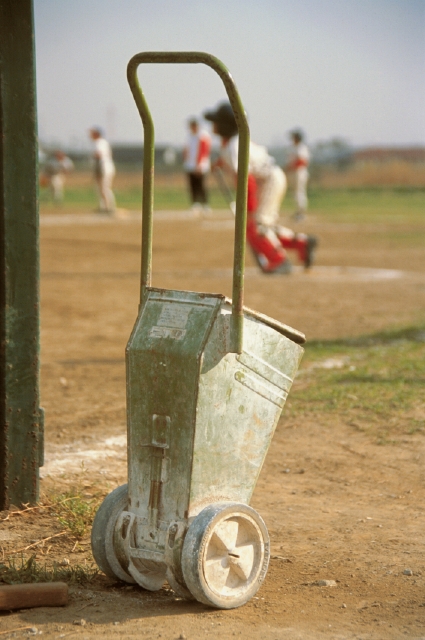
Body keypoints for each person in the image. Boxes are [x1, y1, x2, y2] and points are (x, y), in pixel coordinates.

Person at [204, 102, 317, 274]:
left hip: (269, 180)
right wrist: (219, 163)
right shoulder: (230, 143)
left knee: (257, 226)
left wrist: (248, 207)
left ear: (226, 125)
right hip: (267, 179)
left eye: (217, 122)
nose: (213, 125)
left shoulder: (235, 145)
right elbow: (231, 162)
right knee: (263, 226)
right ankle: (302, 243)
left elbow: (245, 179)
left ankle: (279, 261)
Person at [183, 117, 211, 215]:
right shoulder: (189, 136)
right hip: (190, 165)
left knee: (202, 186)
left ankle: (205, 205)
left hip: (201, 166)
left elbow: (204, 151)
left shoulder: (203, 135)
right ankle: (195, 204)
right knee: (193, 186)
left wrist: (199, 165)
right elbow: (186, 149)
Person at [88, 127, 116, 213]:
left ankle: (109, 208)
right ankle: (104, 207)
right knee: (101, 189)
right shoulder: (101, 142)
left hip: (103, 168)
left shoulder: (99, 142)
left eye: (92, 133)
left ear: (96, 134)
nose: (90, 135)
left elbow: (98, 154)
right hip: (104, 168)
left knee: (104, 189)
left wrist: (96, 171)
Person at [285, 129, 310, 221]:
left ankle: (301, 213)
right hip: (294, 172)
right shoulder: (293, 147)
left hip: (299, 172)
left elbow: (302, 161)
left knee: (299, 192)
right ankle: (298, 212)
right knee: (295, 193)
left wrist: (291, 167)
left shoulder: (301, 148)